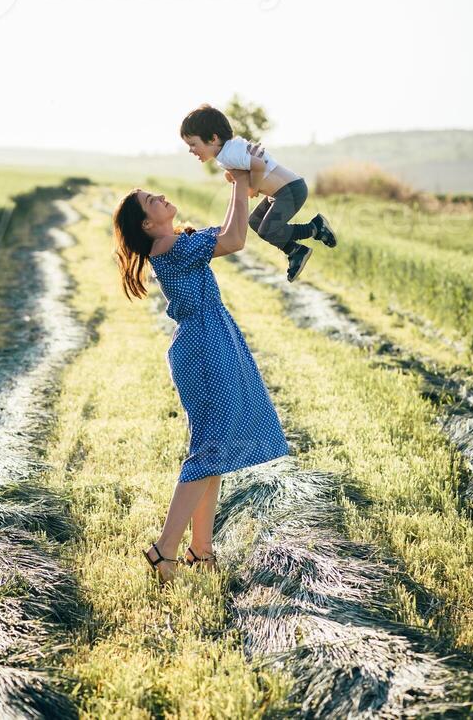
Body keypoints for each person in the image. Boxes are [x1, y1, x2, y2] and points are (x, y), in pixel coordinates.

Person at [112, 156, 289, 587]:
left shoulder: (175, 244)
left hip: (212, 339)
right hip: (204, 347)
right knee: (209, 448)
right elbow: (234, 239)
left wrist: (240, 188)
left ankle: (201, 549)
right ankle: (165, 549)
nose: (160, 197)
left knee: (215, 449)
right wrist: (241, 181)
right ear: (148, 225)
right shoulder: (171, 248)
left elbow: (228, 232)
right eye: (151, 201)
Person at [180, 103, 337, 283]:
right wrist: (231, 176)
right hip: (280, 192)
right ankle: (296, 251)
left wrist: (253, 188)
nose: (191, 150)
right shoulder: (227, 153)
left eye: (193, 144)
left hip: (290, 190)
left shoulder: (229, 153)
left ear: (213, 138)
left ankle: (314, 228)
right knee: (255, 222)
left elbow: (258, 165)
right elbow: (243, 168)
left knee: (268, 229)